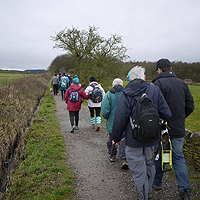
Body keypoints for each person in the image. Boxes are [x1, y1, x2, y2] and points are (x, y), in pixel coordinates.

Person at [112, 66, 172, 200]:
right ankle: (148, 190)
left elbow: (120, 118)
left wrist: (116, 138)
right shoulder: (154, 90)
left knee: (138, 168)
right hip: (152, 137)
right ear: (144, 77)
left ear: (130, 78)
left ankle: (143, 195)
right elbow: (167, 114)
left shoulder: (127, 93)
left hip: (133, 139)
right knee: (148, 163)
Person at [152, 58, 194, 200]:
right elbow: (190, 106)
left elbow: (153, 107)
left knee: (160, 153)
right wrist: (180, 118)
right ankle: (185, 191)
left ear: (159, 70)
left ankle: (157, 182)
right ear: (170, 68)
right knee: (178, 157)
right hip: (178, 128)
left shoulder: (157, 84)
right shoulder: (183, 84)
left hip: (162, 128)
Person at [101, 78, 128, 169]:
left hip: (112, 122)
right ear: (122, 85)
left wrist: (106, 117)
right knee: (123, 139)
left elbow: (105, 111)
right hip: (125, 121)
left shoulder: (108, 95)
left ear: (113, 85)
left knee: (111, 137)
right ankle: (124, 158)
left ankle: (112, 154)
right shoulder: (127, 93)